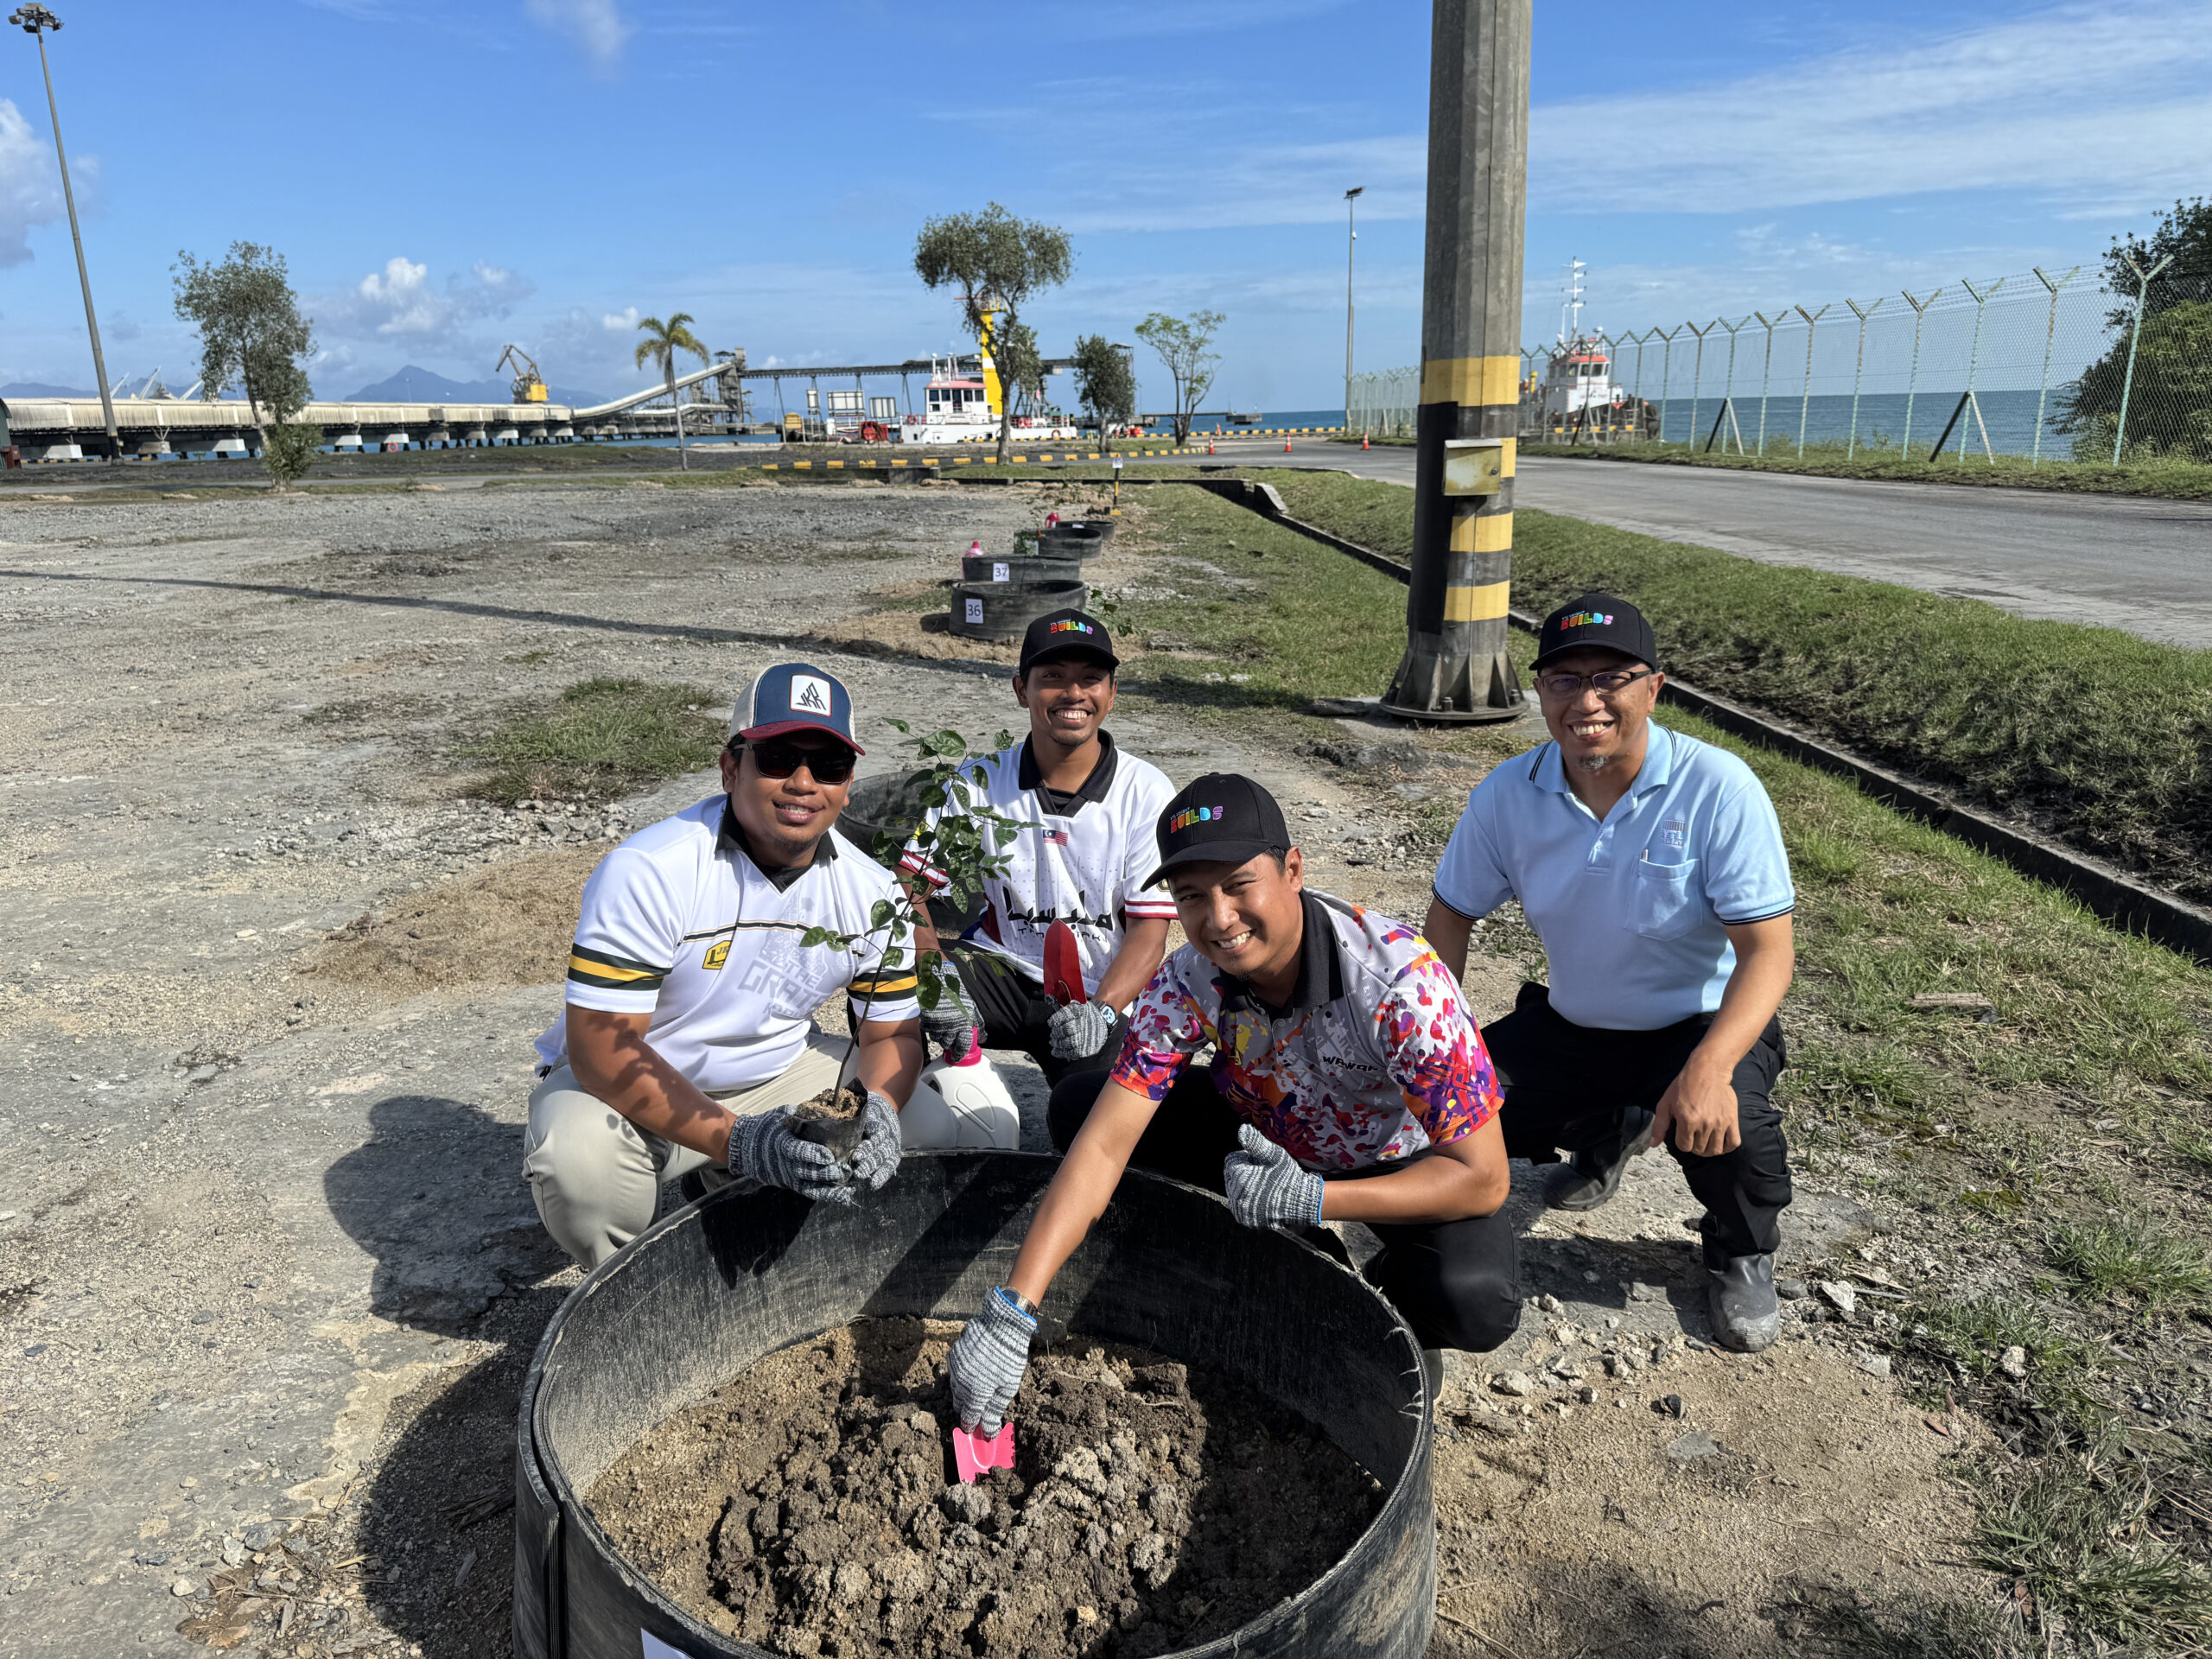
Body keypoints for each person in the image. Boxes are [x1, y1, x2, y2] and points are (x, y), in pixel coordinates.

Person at [946, 774, 1517, 1436]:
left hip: (1391, 1158)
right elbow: (1105, 1144)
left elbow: (1486, 1177)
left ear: (1293, 869)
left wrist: (1316, 1199)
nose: (1219, 919)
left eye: (1239, 885)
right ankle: (1297, 1252)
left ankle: (1376, 1294)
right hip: (1262, 1133)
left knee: (1477, 1300)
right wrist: (1013, 1307)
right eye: (1192, 896)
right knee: (1079, 1109)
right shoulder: (1188, 981)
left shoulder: (1401, 985)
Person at [1421, 593, 1796, 1353]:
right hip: (1574, 1020)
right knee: (1450, 1115)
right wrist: (1441, 1043)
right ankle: (1609, 1130)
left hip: (1694, 1023)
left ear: (1654, 688)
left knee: (1730, 1128)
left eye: (1611, 678)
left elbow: (1768, 952)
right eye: (1563, 680)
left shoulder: (1717, 787)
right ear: (1540, 693)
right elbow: (1450, 917)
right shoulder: (1509, 794)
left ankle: (1739, 1249)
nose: (1586, 701)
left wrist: (1711, 1066)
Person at [522, 662, 925, 1268]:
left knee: (952, 1118)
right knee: (578, 1164)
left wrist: (884, 1114)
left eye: (829, 766)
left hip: (776, 1074)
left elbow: (891, 1033)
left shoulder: (872, 893)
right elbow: (602, 1051)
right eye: (780, 757)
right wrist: (741, 1141)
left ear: (847, 785)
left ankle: (729, 1181)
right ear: (731, 765)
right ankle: (628, 1286)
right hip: (637, 1084)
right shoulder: (651, 870)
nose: (804, 782)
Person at [899, 607, 1177, 1088]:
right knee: (889, 991)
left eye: (1091, 679)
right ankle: (891, 1112)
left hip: (1095, 992)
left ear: (1111, 694)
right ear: (1020, 688)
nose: (1073, 693)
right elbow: (909, 885)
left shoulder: (1146, 791)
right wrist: (933, 971)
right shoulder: (978, 782)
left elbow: (1150, 934)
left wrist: (1105, 1011)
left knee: (1086, 1116)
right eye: (1053, 677)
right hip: (1000, 968)